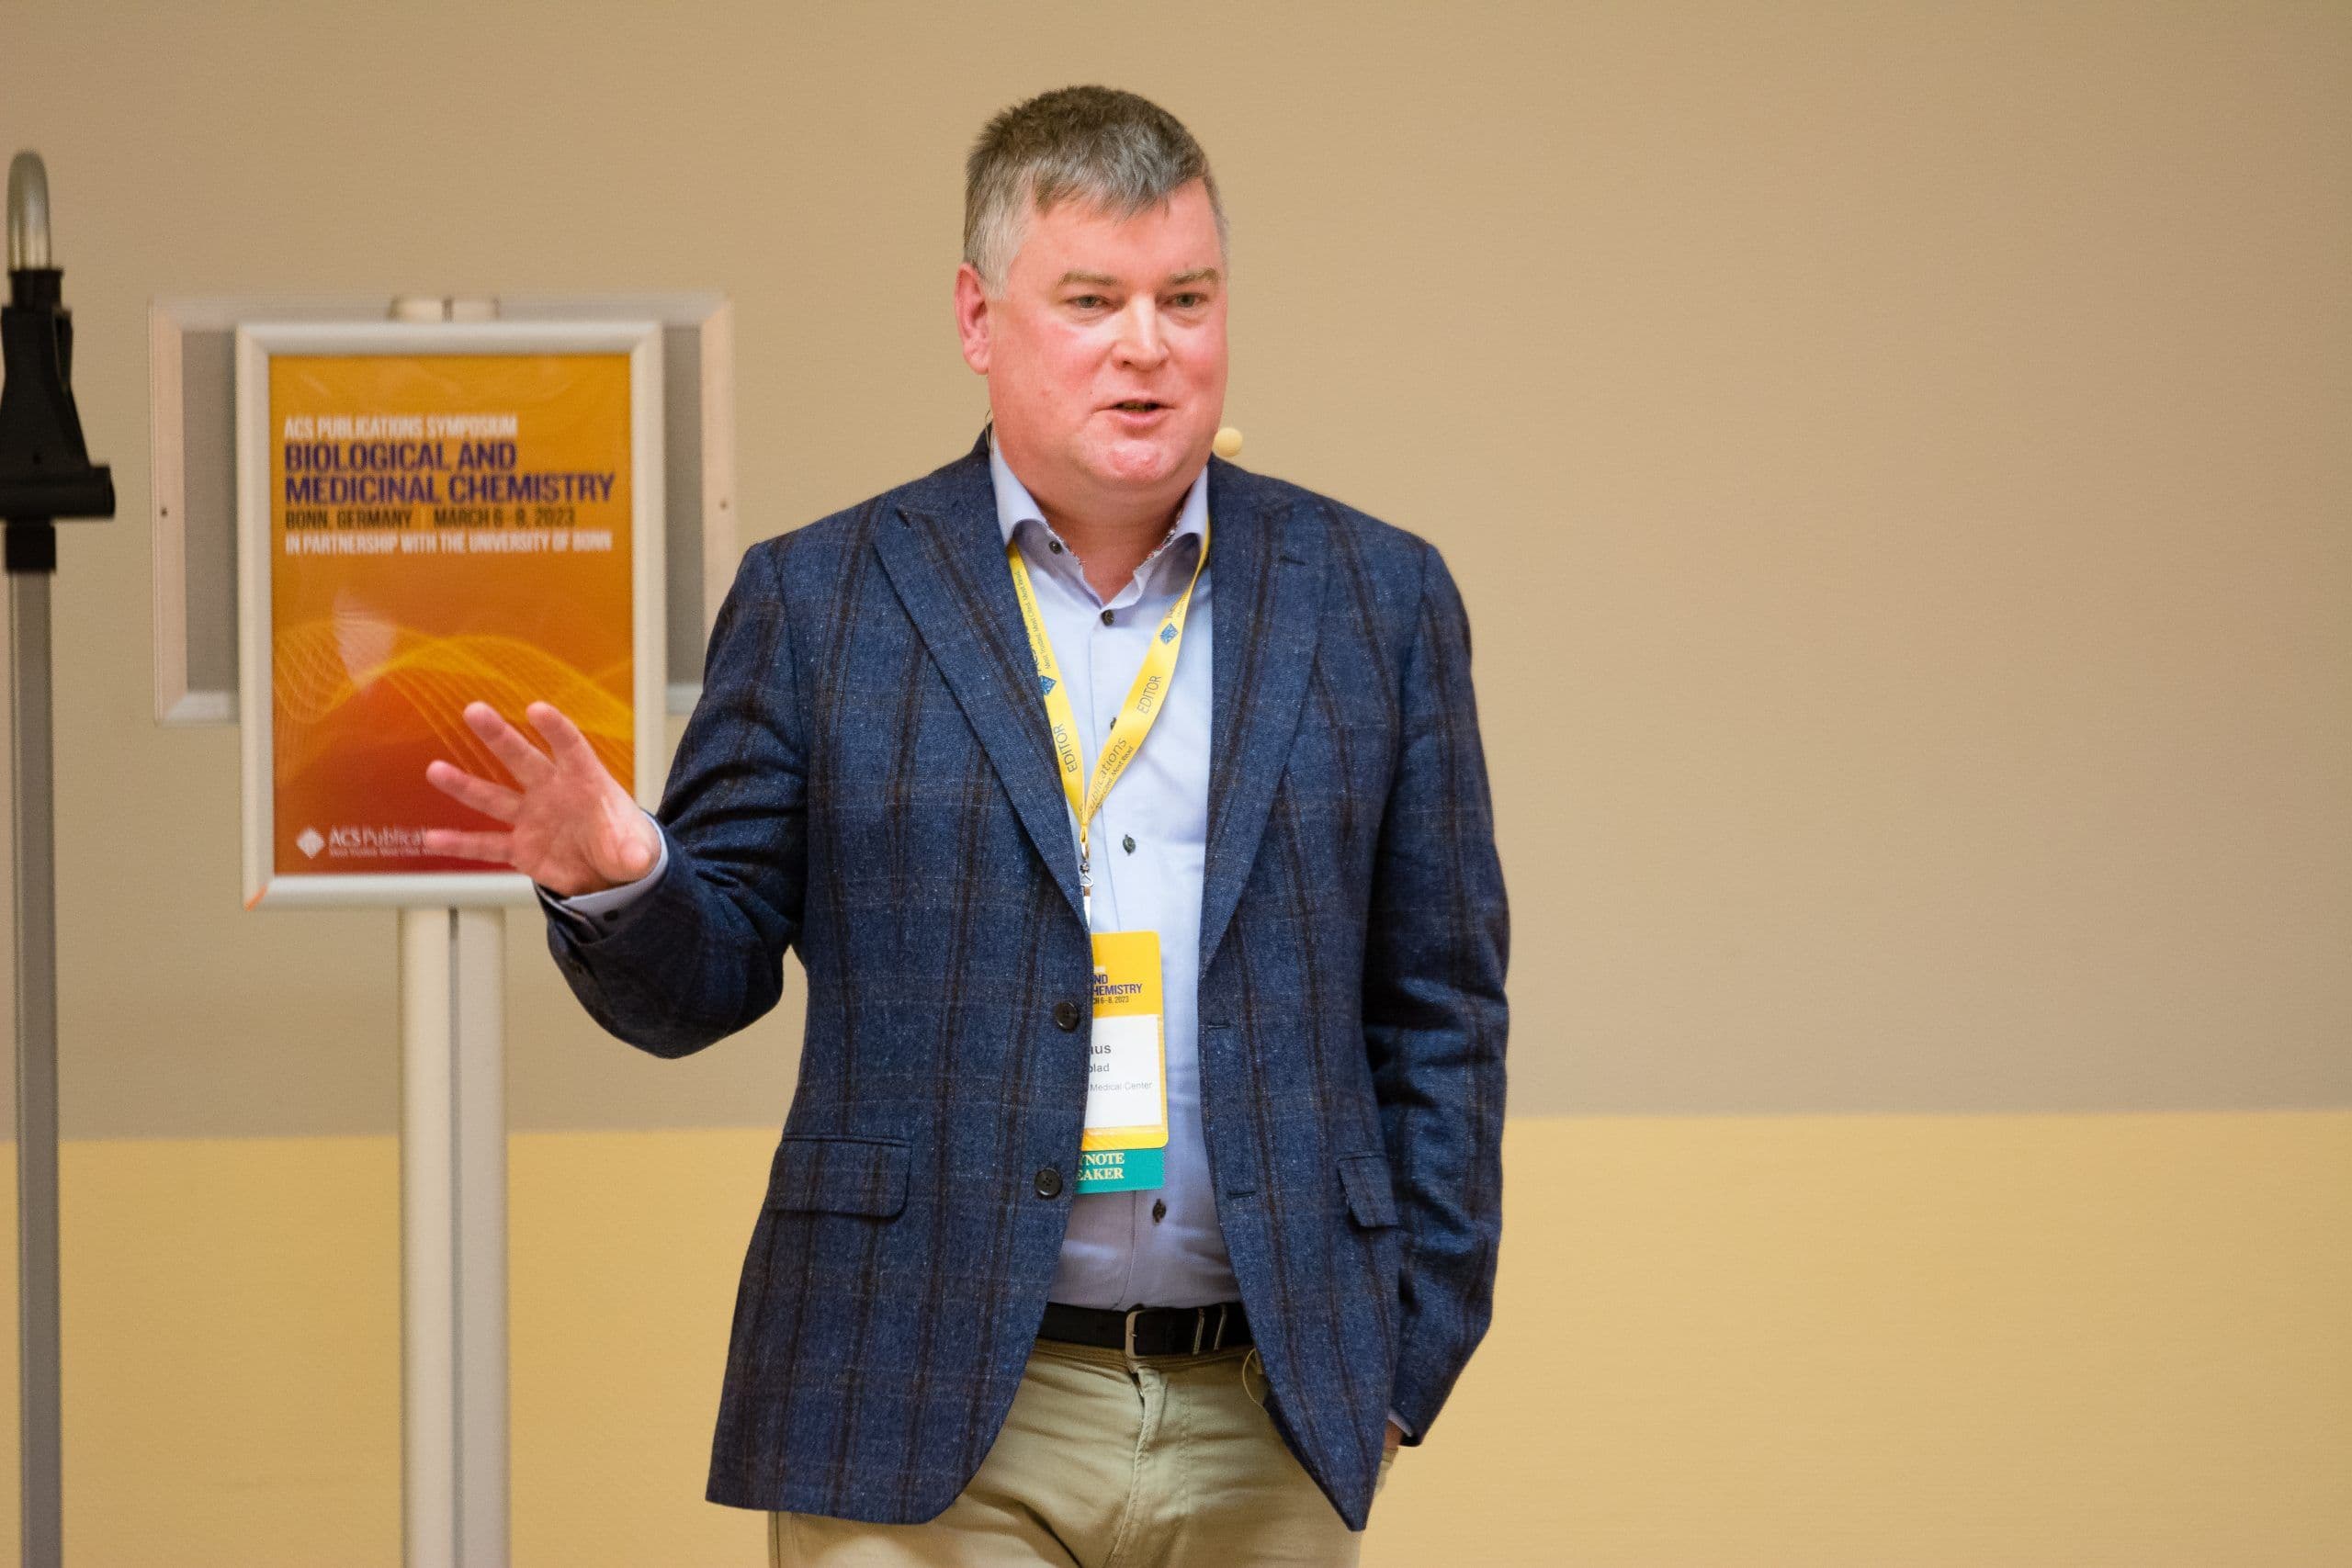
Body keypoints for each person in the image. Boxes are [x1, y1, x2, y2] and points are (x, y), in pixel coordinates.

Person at [423, 85, 1507, 1566]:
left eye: (1187, 297)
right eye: (1093, 299)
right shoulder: (826, 599)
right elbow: (703, 981)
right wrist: (628, 880)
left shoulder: (1374, 600)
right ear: (978, 316)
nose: (1149, 344)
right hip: (921, 1394)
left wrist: (1408, 1351)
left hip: (1271, 1407)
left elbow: (1440, 1002)